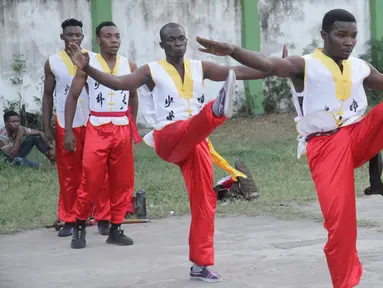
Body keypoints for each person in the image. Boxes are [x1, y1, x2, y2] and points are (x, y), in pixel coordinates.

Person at [67, 22, 273, 282]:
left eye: (182, 39)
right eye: (172, 40)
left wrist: (271, 67)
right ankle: (215, 111)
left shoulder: (201, 68)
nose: (178, 43)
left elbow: (241, 72)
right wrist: (87, 68)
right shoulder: (150, 71)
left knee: (205, 201)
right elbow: (119, 83)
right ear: (162, 44)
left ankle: (200, 264)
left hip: (195, 141)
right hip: (168, 139)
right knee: (184, 126)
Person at [197, 8, 383, 287]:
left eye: (353, 36)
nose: (348, 41)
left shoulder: (360, 66)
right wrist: (233, 49)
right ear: (324, 35)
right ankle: (345, 283)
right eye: (340, 34)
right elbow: (269, 65)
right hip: (326, 147)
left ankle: (376, 177)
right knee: (341, 225)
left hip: (357, 134)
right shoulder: (304, 64)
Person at [64, 21, 140, 249]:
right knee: (91, 180)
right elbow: (73, 96)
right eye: (108, 36)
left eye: (117, 35)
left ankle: (116, 228)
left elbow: (134, 96)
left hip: (121, 128)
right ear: (98, 40)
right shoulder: (88, 62)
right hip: (97, 126)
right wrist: (68, 130)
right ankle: (79, 227)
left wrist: (131, 125)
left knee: (123, 181)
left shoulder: (129, 64)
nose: (114, 40)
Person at [282, 44, 383, 197]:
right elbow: (273, 67)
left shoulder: (350, 71)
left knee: (371, 128)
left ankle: (375, 182)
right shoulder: (307, 76)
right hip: (325, 143)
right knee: (337, 202)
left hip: (349, 133)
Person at [42, 18, 110, 237]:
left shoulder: (93, 59)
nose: (74, 39)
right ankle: (70, 218)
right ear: (62, 37)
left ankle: (103, 217)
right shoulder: (52, 62)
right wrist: (47, 128)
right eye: (69, 35)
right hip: (66, 122)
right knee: (69, 172)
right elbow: (47, 95)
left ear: (83, 37)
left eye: (77, 35)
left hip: (93, 119)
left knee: (98, 170)